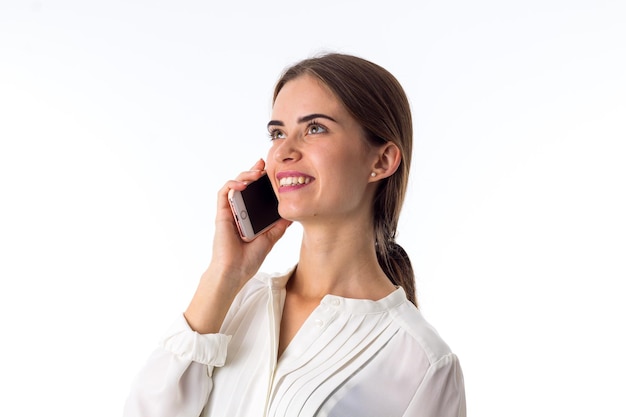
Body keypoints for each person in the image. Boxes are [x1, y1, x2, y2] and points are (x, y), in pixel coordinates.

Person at [123, 53, 466, 417]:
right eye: (277, 132)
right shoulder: (236, 301)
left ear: (381, 161)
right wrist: (224, 275)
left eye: (315, 128)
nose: (283, 151)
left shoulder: (423, 363)